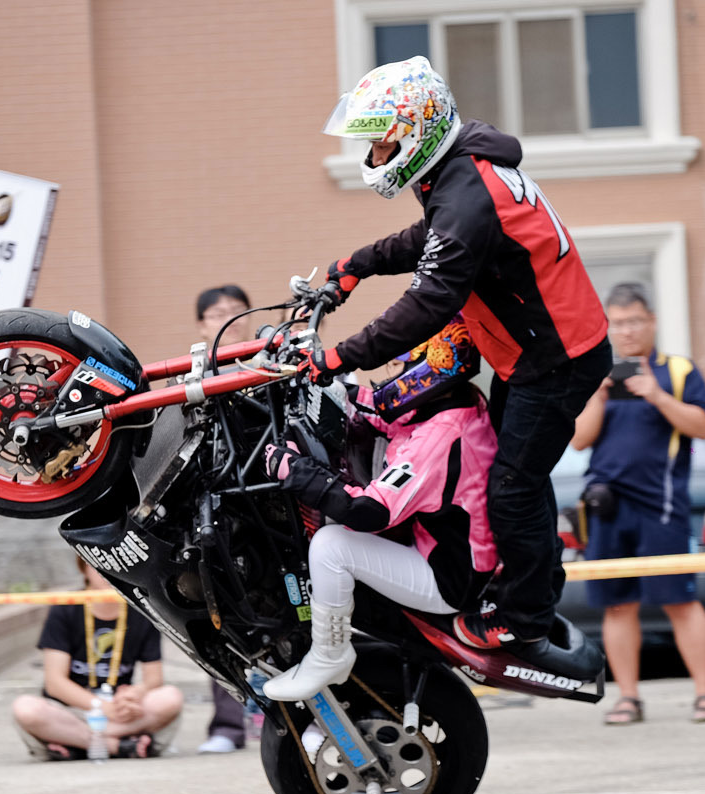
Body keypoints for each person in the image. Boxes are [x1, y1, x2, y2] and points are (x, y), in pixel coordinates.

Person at [305, 55, 610, 652]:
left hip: (557, 359)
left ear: (416, 133)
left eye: (379, 142)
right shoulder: (458, 175)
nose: (372, 156)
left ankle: (524, 618)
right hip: (535, 354)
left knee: (514, 487)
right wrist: (356, 266)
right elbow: (429, 239)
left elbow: (430, 301)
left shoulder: (466, 191)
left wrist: (341, 356)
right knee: (520, 475)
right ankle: (535, 583)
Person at [261, 316, 498, 700]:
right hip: (447, 548)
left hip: (449, 576)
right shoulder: (450, 401)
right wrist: (323, 379)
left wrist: (294, 470)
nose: (393, 369)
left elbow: (369, 512)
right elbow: (391, 417)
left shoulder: (441, 436)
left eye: (401, 363)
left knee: (330, 546)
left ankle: (329, 654)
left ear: (430, 366)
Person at [570, 283, 705, 724]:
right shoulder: (594, 371)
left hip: (663, 504)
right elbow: (579, 439)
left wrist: (656, 394)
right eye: (617, 323)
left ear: (651, 322)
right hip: (606, 505)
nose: (627, 330)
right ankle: (629, 698)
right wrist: (598, 392)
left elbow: (704, 427)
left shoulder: (677, 371)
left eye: (634, 321)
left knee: (680, 601)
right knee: (617, 605)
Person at [12, 556, 183, 760]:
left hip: (122, 712)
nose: (106, 573)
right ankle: (118, 745)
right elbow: (55, 683)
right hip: (72, 711)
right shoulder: (65, 608)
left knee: (170, 698)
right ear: (84, 569)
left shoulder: (141, 611)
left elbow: (154, 679)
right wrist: (103, 708)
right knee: (27, 709)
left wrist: (134, 694)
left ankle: (77, 743)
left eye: (114, 566)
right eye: (98, 566)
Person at [194, 285, 264, 752]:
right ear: (201, 324)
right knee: (217, 611)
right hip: (215, 507)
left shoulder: (264, 362)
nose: (230, 321)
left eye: (237, 312)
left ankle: (292, 719)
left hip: (264, 500)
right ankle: (227, 724)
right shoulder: (193, 370)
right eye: (218, 314)